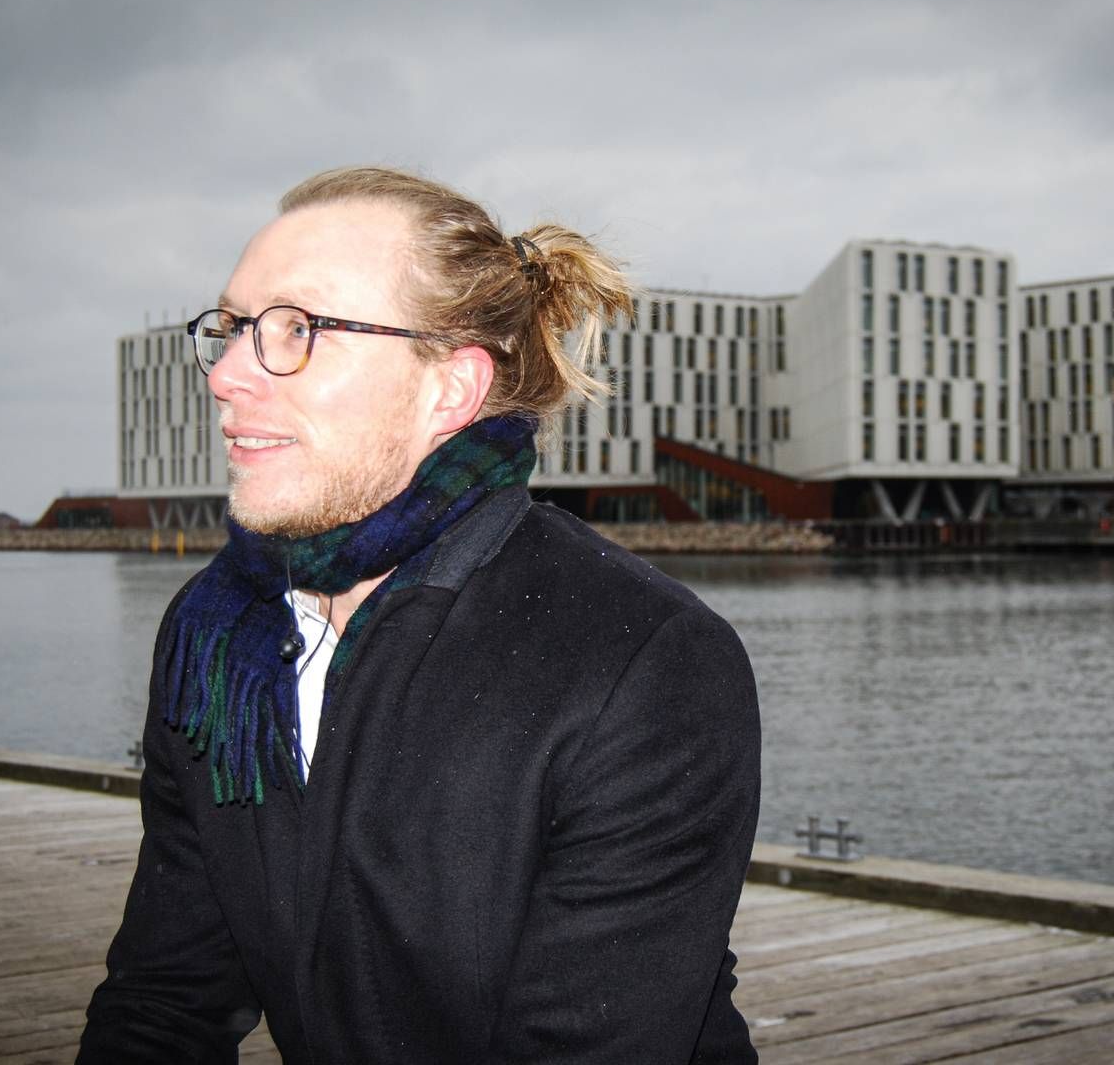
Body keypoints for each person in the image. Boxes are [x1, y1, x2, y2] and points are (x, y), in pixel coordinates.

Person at [79, 167, 761, 1063]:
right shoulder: (220, 636)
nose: (231, 375)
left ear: (450, 389)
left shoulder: (643, 663)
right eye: (235, 328)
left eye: (299, 328)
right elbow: (165, 1001)